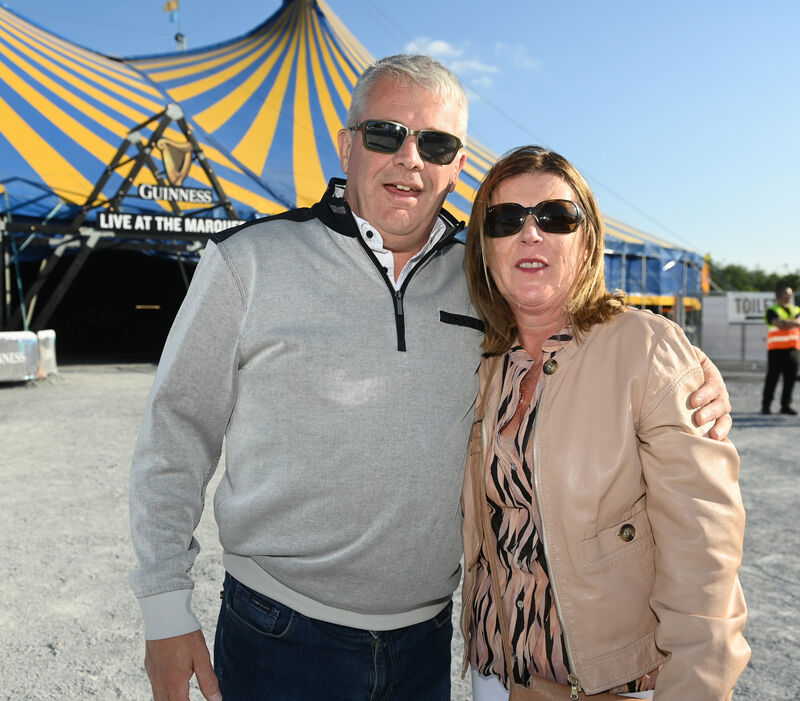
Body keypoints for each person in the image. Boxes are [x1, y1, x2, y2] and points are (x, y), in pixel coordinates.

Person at [129, 56, 732, 701]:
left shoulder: (484, 277)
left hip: (427, 646)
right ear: (347, 145)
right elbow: (175, 435)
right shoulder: (248, 262)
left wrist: (681, 361)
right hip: (278, 634)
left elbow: (571, 311)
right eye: (386, 133)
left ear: (457, 166)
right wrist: (165, 608)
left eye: (436, 143)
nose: (410, 158)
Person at [459, 145, 750, 700]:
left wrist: (697, 687)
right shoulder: (482, 362)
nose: (530, 233)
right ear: (486, 249)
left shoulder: (645, 349)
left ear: (587, 238)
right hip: (498, 676)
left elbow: (705, 553)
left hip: (614, 682)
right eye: (505, 219)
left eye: (555, 217)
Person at [761, 283, 800, 415]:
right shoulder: (772, 310)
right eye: (787, 294)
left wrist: (785, 323)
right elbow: (779, 325)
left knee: (790, 379)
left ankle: (785, 405)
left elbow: (787, 324)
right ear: (779, 296)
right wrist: (792, 323)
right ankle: (766, 405)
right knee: (772, 378)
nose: (790, 296)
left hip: (793, 350)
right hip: (776, 350)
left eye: (790, 294)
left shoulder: (796, 310)